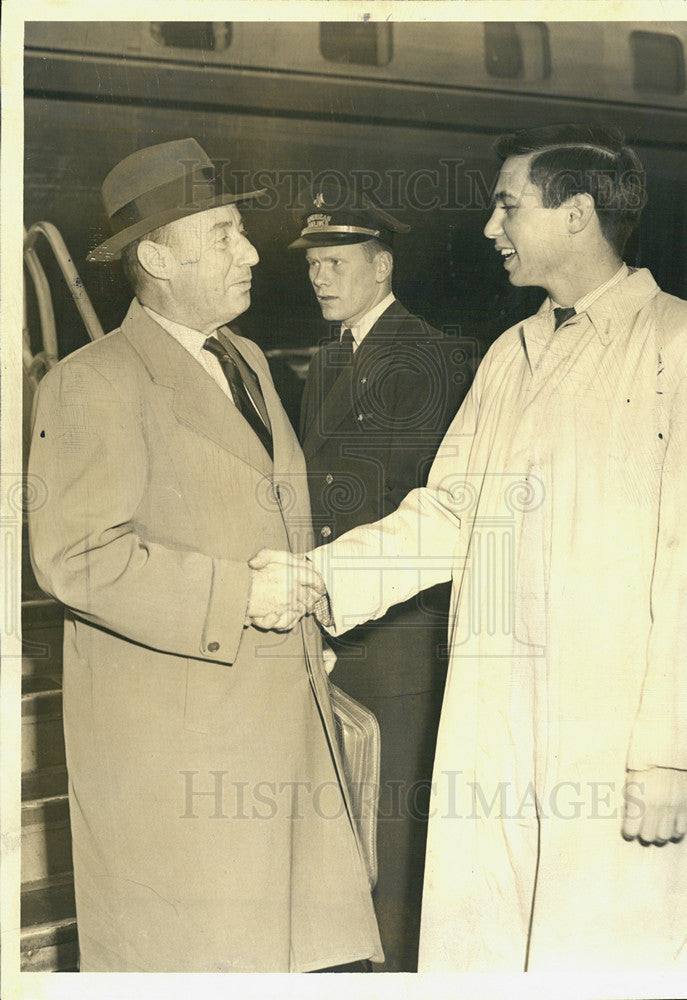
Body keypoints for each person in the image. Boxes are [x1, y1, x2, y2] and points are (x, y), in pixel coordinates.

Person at [283, 124, 687, 971]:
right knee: (491, 946)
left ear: (576, 214)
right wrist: (318, 578)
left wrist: (673, 753)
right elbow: (450, 513)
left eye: (507, 205)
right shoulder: (512, 354)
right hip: (496, 721)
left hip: (616, 740)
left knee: (613, 955)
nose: (488, 227)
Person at [26, 138, 382, 972]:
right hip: (178, 759)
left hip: (274, 731)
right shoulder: (91, 381)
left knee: (296, 960)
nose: (252, 251)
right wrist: (237, 598)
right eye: (223, 233)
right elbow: (75, 556)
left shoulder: (247, 360)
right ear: (156, 255)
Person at [286, 181, 473, 971]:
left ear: (382, 266)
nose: (319, 278)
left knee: (391, 835)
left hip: (393, 636)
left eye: (335, 262)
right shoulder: (327, 360)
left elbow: (413, 504)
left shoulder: (426, 355)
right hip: (334, 623)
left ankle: (397, 974)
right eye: (313, 265)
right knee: (346, 824)